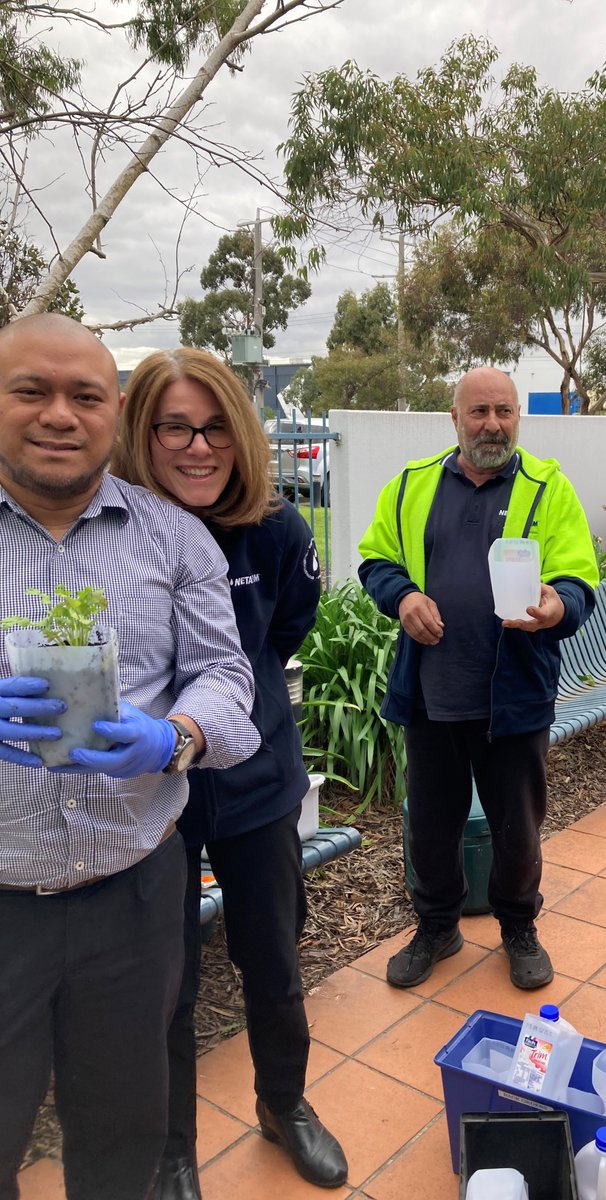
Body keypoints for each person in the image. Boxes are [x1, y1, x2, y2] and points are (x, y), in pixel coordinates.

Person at [0, 315, 260, 1200]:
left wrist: (177, 738)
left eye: (84, 396)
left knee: (123, 1130)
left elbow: (226, 674)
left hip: (135, 890)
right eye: (31, 391)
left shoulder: (172, 537)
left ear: (114, 413)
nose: (59, 416)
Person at [113, 348, 348, 1197]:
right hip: (145, 798)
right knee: (165, 980)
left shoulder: (277, 528)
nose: (198, 446)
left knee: (272, 960)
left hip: (253, 782)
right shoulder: (111, 533)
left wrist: (222, 716)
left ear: (241, 434)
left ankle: (284, 1103)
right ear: (143, 432)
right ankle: (174, 1147)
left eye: (215, 426)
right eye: (175, 426)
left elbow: (282, 632)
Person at [358, 366, 598, 990]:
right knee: (431, 823)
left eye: (504, 412)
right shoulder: (412, 485)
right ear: (455, 418)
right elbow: (376, 559)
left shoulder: (549, 488)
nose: (493, 424)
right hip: (432, 695)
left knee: (517, 826)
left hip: (513, 695)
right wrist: (403, 597)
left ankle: (518, 925)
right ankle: (437, 926)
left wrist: (556, 608)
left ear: (518, 416)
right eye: (479, 412)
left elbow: (578, 579)